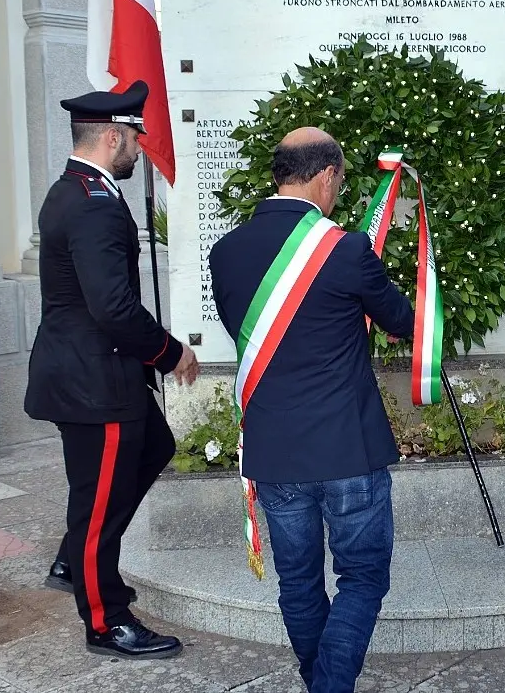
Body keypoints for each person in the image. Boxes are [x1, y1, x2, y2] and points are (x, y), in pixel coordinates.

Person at [209, 127, 415, 693]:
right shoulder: (345, 249)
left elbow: (257, 338)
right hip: (346, 446)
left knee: (298, 583)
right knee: (364, 576)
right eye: (340, 181)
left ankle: (320, 682)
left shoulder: (225, 252)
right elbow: (402, 320)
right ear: (326, 176)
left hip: (276, 449)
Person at [24, 80, 200, 659]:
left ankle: (77, 555)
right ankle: (106, 619)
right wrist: (172, 353)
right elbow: (113, 307)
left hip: (96, 372)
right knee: (95, 502)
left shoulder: (75, 189)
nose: (138, 152)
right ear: (112, 136)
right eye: (134, 141)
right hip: (94, 381)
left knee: (154, 446)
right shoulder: (93, 203)